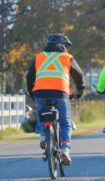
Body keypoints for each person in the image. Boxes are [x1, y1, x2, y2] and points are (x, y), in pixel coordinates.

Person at [27, 34, 85, 165]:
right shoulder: (67, 57)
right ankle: (65, 148)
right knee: (65, 122)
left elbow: (29, 77)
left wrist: (32, 94)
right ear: (61, 46)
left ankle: (43, 135)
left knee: (42, 115)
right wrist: (79, 90)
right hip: (60, 93)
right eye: (66, 46)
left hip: (40, 93)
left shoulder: (39, 57)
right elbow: (79, 76)